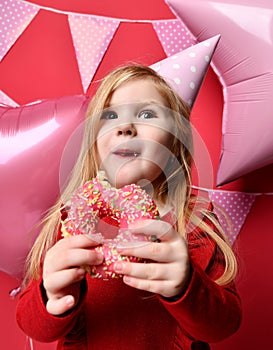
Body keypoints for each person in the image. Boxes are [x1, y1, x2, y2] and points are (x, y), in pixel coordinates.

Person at [16, 64, 241, 349]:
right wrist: (51, 295)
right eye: (109, 116)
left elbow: (224, 325)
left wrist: (186, 286)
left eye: (146, 114)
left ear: (175, 141)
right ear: (93, 142)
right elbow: (33, 326)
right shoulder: (69, 224)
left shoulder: (195, 224)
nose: (124, 127)